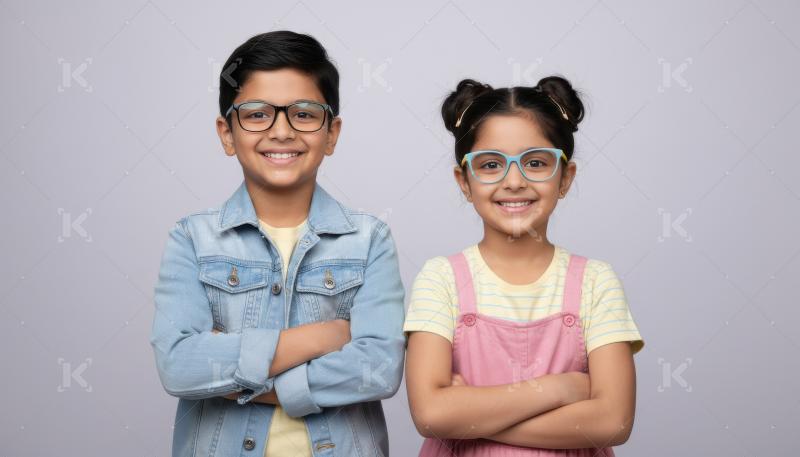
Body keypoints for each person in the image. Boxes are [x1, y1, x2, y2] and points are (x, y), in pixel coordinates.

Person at [149, 30, 405, 457]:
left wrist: (238, 376)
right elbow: (179, 365)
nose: (282, 131)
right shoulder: (193, 239)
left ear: (331, 133)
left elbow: (379, 369)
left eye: (303, 114)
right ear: (227, 133)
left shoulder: (368, 240)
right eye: (257, 114)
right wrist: (324, 338)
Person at [404, 76, 645, 456]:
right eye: (490, 164)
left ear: (565, 177)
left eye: (535, 163)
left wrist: (471, 417)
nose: (514, 181)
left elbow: (612, 421)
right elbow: (432, 415)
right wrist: (560, 389)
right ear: (464, 182)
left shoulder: (595, 281)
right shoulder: (442, 279)